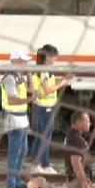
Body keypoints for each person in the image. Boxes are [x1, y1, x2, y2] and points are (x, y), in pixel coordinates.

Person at [30, 44, 70, 174]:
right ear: (47, 57)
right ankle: (45, 165)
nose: (55, 59)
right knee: (45, 138)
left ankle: (36, 164)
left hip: (40, 107)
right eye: (54, 56)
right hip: (45, 107)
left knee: (40, 137)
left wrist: (61, 80)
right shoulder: (44, 71)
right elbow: (47, 90)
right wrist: (63, 83)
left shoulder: (41, 70)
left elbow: (48, 84)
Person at [1, 49, 34, 188]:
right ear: (15, 62)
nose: (26, 63)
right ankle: (11, 183)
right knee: (15, 152)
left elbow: (32, 90)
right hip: (13, 118)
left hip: (22, 118)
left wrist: (29, 75)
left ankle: (16, 180)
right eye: (23, 61)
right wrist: (29, 99)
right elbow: (11, 99)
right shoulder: (9, 79)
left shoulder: (19, 77)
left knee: (22, 151)